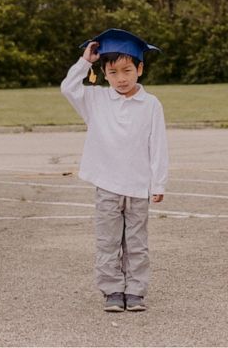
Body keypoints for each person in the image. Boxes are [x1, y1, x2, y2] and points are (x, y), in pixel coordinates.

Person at [60, 28, 169, 313]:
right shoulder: (95, 102)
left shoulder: (150, 105)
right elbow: (68, 88)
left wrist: (158, 183)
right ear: (103, 73)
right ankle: (111, 291)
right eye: (113, 72)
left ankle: (135, 291)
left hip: (138, 187)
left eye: (127, 70)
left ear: (140, 68)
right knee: (108, 242)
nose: (121, 78)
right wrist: (85, 62)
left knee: (136, 244)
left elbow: (158, 145)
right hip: (107, 185)